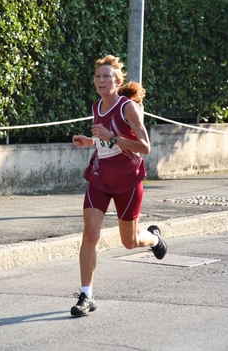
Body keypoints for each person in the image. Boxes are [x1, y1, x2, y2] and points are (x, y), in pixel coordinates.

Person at [71, 55, 167, 317]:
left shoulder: (128, 108)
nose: (101, 80)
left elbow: (145, 147)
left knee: (130, 241)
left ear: (117, 81)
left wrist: (112, 137)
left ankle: (155, 237)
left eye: (107, 76)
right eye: (98, 77)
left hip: (127, 180)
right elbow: (104, 141)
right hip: (100, 178)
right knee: (90, 235)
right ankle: (86, 295)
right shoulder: (96, 107)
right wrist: (89, 142)